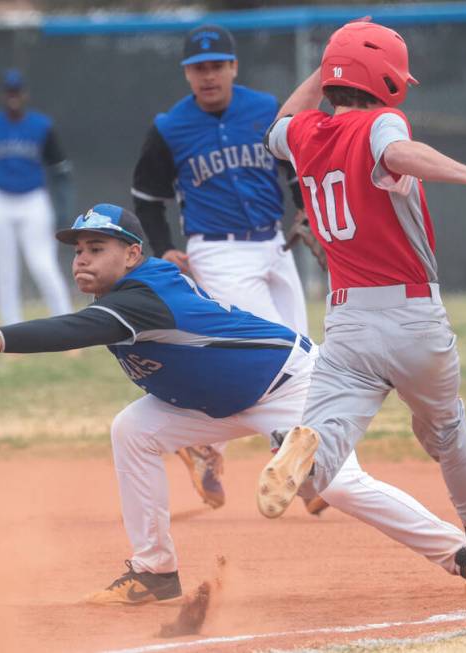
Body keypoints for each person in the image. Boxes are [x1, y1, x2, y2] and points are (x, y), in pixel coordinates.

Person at [0, 202, 466, 604]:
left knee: (336, 485)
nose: (83, 259)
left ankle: (461, 552)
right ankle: (154, 571)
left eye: (98, 247)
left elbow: (71, 330)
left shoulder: (142, 295)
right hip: (215, 402)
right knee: (132, 430)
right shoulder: (124, 296)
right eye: (79, 250)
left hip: (289, 384)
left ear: (133, 253)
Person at [258, 20, 466, 578]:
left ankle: (303, 454)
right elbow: (400, 153)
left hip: (348, 325)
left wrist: (328, 64)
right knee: (444, 427)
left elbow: (281, 122)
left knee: (327, 449)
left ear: (334, 78)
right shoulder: (381, 122)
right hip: (412, 318)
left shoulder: (305, 135)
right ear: (387, 79)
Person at [131, 25, 325, 512]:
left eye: (217, 65)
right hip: (216, 251)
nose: (209, 75)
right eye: (199, 68)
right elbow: (147, 198)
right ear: (187, 74)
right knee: (279, 355)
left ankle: (204, 445)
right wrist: (163, 248)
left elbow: (293, 167)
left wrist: (305, 207)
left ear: (234, 67)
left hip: (275, 246)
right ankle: (304, 475)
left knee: (302, 351)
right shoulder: (170, 127)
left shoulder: (264, 110)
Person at [0, 68, 73, 325]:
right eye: (9, 92)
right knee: (5, 271)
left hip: (33, 200)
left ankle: (68, 327)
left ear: (25, 94)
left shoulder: (41, 126)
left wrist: (63, 212)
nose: (13, 96)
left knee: (43, 264)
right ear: (2, 95)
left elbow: (60, 171)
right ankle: (10, 334)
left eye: (17, 91)